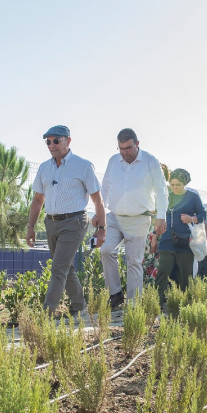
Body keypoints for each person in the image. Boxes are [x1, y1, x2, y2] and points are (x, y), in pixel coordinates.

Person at [27, 125, 106, 315]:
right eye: (48, 142)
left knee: (58, 268)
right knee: (65, 267)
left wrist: (102, 228)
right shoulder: (44, 168)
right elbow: (38, 200)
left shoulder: (83, 166)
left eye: (56, 141)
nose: (51, 145)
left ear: (68, 141)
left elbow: (97, 200)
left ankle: (46, 313)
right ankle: (80, 308)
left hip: (75, 222)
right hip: (51, 222)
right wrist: (30, 226)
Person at [96, 128, 168, 308]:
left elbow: (161, 190)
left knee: (133, 261)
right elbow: (105, 187)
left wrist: (161, 217)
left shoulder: (150, 161)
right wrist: (100, 212)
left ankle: (134, 304)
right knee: (106, 250)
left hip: (139, 218)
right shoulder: (113, 161)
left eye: (128, 148)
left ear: (137, 144)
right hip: (114, 217)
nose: (124, 152)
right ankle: (115, 294)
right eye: (121, 148)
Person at [155, 168, 205, 306]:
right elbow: (157, 215)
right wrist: (154, 234)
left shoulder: (193, 197)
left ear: (185, 184)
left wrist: (191, 218)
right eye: (172, 185)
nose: (174, 188)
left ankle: (185, 305)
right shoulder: (167, 196)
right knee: (163, 272)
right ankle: (156, 305)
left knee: (185, 276)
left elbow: (202, 215)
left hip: (185, 242)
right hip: (166, 241)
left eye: (178, 185)